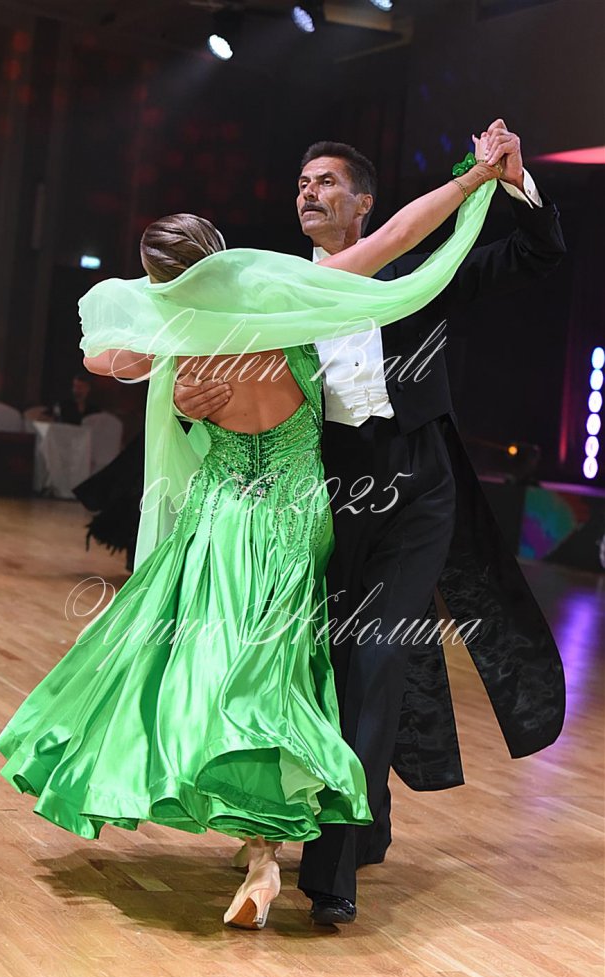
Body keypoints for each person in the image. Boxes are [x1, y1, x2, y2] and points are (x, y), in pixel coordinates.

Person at [0, 147, 500, 930]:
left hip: (224, 517)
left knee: (196, 664)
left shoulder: (183, 338)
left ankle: (247, 834)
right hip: (297, 519)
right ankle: (266, 846)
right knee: (276, 675)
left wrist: (163, 335)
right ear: (223, 255)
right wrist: (471, 181)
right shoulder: (283, 302)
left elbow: (101, 354)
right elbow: (398, 237)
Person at [173, 121, 567, 925]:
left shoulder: (417, 270)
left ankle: (333, 874)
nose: (308, 192)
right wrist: (190, 401)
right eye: (301, 184)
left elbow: (536, 254)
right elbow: (214, 372)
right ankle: (353, 819)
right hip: (322, 491)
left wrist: (515, 184)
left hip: (418, 488)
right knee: (323, 666)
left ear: (364, 203)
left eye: (325, 181)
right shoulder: (281, 291)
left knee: (379, 656)